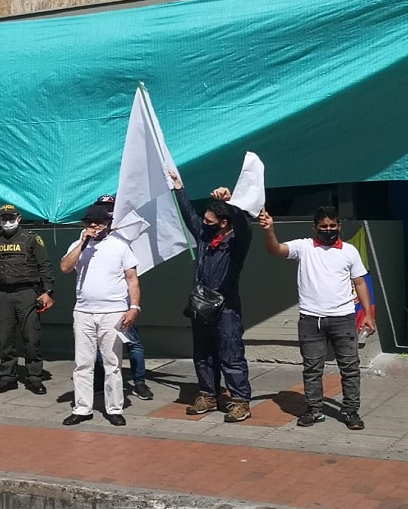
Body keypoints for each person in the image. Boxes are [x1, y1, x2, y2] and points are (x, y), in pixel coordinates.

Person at [260, 206, 377, 430]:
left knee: (350, 367)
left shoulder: (349, 251)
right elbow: (276, 250)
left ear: (339, 226)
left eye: (333, 226)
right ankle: (314, 410)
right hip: (311, 320)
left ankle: (351, 411)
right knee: (312, 368)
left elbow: (360, 282)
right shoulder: (304, 247)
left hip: (343, 318)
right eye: (323, 226)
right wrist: (269, 231)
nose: (328, 230)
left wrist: (368, 314)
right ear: (315, 227)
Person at [170, 171, 254, 423]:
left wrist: (230, 203)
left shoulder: (237, 242)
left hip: (226, 307)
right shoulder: (205, 237)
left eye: (209, 221)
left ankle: (240, 400)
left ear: (224, 222)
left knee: (230, 353)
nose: (203, 224)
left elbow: (243, 224)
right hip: (201, 306)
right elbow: (189, 217)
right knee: (203, 353)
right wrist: (179, 188)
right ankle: (208, 394)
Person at [59, 203, 141, 427]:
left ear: (108, 224)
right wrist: (83, 243)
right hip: (83, 312)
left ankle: (114, 408)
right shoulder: (78, 244)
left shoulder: (120, 246)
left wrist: (134, 307)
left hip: (113, 312)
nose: (94, 226)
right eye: (89, 222)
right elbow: (65, 267)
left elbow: (132, 278)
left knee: (112, 363)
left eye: (99, 222)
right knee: (82, 363)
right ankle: (82, 408)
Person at [0, 205, 55, 395]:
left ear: (19, 219)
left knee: (31, 336)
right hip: (2, 294)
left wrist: (48, 291)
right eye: (3, 219)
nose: (7, 222)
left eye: (10, 218)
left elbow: (45, 266)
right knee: (4, 337)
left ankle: (34, 377)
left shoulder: (31, 239)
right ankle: (7, 377)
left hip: (27, 293)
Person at [90, 194, 154, 401]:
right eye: (101, 208)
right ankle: (100, 381)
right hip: (100, 299)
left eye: (109, 208)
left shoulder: (128, 228)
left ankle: (139, 382)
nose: (105, 212)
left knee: (132, 342)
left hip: (123, 297)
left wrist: (134, 305)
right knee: (101, 344)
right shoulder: (92, 231)